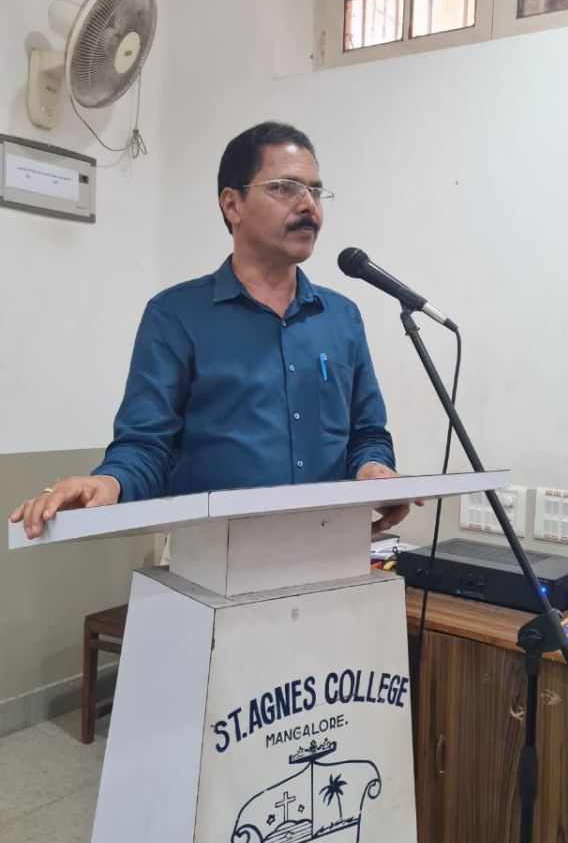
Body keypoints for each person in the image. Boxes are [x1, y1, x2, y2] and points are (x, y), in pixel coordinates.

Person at [12, 121, 418, 540]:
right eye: (285, 188)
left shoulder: (341, 317)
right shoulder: (176, 316)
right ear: (231, 205)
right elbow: (147, 446)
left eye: (315, 191)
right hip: (213, 556)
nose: (308, 206)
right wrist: (109, 482)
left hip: (331, 547)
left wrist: (373, 468)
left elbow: (367, 433)